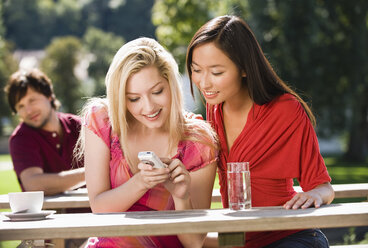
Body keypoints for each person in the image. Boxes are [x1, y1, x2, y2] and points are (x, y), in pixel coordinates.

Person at [186, 15, 335, 248]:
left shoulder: (286, 110)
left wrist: (315, 195)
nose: (204, 83)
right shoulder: (213, 108)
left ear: (244, 69)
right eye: (196, 70)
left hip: (290, 237)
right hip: (238, 240)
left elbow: (323, 186)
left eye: (216, 73)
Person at [76, 37, 218, 248]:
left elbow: (195, 243)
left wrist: (181, 197)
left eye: (157, 92)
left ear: (170, 84)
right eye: (134, 98)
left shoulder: (197, 141)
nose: (149, 107)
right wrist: (141, 182)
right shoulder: (103, 120)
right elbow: (99, 207)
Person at [4, 68, 85, 196]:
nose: (28, 110)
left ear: (49, 96)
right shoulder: (20, 138)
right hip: (47, 216)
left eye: (32, 100)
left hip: (92, 214)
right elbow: (34, 184)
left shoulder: (81, 126)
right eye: (21, 106)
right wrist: (92, 173)